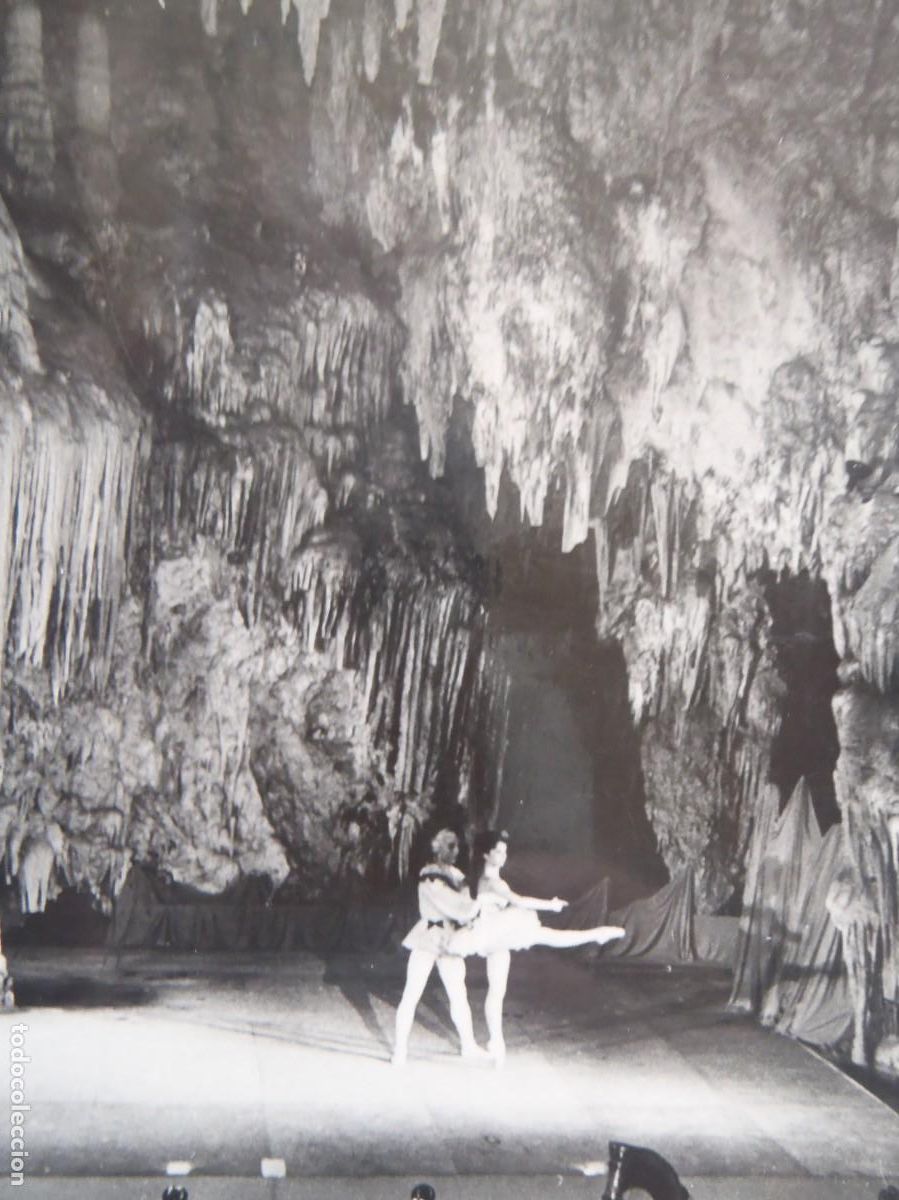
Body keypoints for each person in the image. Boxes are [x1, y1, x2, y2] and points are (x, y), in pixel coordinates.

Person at [451, 829, 625, 1066]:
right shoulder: (492, 882)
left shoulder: (485, 880)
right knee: (547, 936)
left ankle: (497, 1044)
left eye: (505, 851)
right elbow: (519, 901)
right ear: (485, 855)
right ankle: (597, 934)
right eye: (498, 851)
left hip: (494, 935)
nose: (503, 856)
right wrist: (550, 905)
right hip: (496, 932)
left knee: (498, 991)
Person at [392, 828, 487, 1066]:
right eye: (450, 846)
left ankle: (468, 1045)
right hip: (429, 936)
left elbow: (465, 900)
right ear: (438, 848)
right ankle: (400, 1050)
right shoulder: (430, 876)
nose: (456, 851)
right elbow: (455, 905)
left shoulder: (455, 874)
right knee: (412, 993)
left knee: (458, 994)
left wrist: (474, 901)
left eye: (456, 847)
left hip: (449, 938)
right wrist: (474, 905)